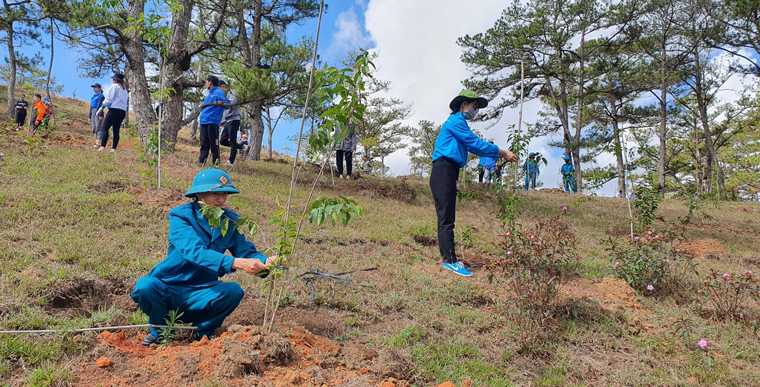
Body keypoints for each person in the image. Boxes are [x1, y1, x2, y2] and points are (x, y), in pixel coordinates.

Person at [131, 169, 276, 345]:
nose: (222, 199)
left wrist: (266, 262)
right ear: (199, 194)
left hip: (203, 290)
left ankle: (203, 333)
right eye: (216, 193)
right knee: (146, 286)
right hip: (170, 287)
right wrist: (236, 263)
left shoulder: (229, 221)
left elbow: (246, 252)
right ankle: (160, 331)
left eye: (225, 193)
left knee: (233, 292)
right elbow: (194, 252)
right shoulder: (180, 216)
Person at [431, 89, 517, 276]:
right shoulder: (456, 121)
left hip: (448, 170)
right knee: (446, 217)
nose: (475, 110)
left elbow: (474, 147)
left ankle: (449, 258)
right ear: (464, 105)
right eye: (474, 106)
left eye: (477, 108)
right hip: (444, 169)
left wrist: (497, 154)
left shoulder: (459, 123)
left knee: (446, 216)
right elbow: (475, 143)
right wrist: (503, 152)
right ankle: (450, 261)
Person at [198, 76, 230, 165]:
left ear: (210, 82)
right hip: (204, 122)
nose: (206, 84)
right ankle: (201, 161)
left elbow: (228, 103)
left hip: (212, 122)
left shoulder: (219, 92)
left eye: (207, 82)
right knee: (204, 143)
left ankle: (216, 163)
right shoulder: (209, 94)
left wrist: (222, 103)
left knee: (214, 144)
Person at [97, 73, 129, 152]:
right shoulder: (125, 90)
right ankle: (113, 148)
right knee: (116, 129)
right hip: (122, 111)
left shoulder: (114, 86)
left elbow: (110, 98)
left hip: (114, 109)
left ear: (115, 80)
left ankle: (102, 146)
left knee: (105, 127)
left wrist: (102, 107)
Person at [218, 80, 241, 167]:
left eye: (220, 89)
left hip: (234, 120)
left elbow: (232, 104)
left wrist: (222, 104)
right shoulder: (227, 95)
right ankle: (242, 146)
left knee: (232, 141)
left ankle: (230, 162)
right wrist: (223, 121)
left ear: (223, 86)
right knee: (223, 140)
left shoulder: (233, 92)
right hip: (228, 121)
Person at [88, 83, 105, 148]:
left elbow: (100, 105)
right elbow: (91, 106)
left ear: (99, 88)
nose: (94, 89)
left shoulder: (101, 96)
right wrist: (89, 116)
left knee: (98, 127)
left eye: (95, 87)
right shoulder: (93, 97)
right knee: (94, 128)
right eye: (93, 87)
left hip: (98, 111)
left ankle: (99, 143)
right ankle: (96, 142)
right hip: (93, 111)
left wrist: (100, 114)